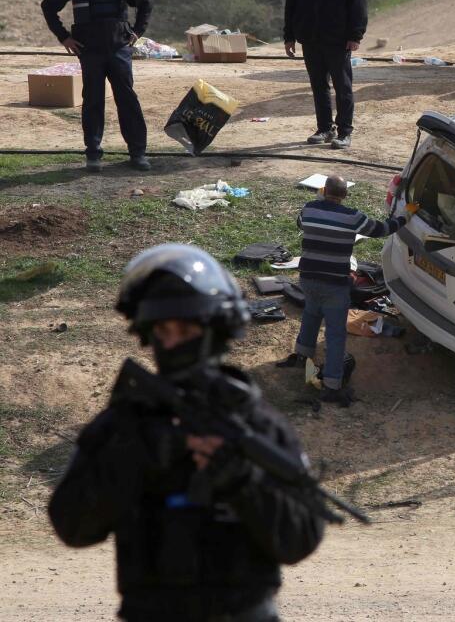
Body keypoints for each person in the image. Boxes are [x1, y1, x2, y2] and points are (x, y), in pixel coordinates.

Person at [48, 244, 326, 622]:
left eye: (187, 329)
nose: (174, 341)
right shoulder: (124, 424)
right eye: (163, 330)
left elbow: (299, 541)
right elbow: (73, 527)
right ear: (147, 334)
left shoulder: (255, 425)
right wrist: (135, 455)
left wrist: (243, 483)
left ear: (214, 331)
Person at [276, 175, 405, 406]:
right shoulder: (352, 217)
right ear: (345, 195)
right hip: (335, 285)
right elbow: (381, 229)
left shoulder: (309, 210)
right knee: (335, 334)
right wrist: (405, 218)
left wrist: (318, 201)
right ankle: (332, 386)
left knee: (311, 314)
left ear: (324, 190)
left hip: (308, 279)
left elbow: (299, 222)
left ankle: (302, 355)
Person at [41, 0, 152, 173]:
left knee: (127, 100)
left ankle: (138, 153)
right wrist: (64, 38)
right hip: (89, 52)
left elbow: (146, 1)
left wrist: (137, 32)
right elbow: (48, 6)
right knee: (92, 101)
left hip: (119, 50)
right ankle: (93, 155)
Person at [283, 0, 368, 149]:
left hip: (338, 39)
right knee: (319, 86)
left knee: (343, 87)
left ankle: (344, 132)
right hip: (310, 39)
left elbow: (358, 3)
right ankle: (324, 129)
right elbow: (291, 3)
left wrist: (355, 35)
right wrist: (289, 36)